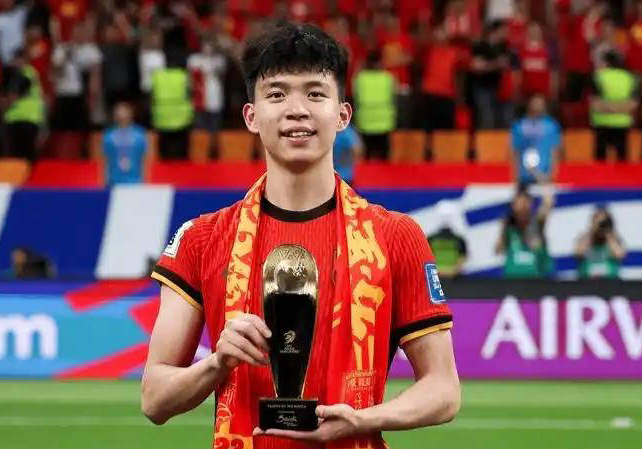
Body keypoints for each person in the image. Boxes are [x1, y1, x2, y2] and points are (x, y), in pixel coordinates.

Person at [143, 23, 460, 448]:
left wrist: (362, 419)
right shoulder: (201, 238)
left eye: (315, 93)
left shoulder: (395, 236)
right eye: (277, 94)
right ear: (251, 116)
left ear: (343, 115)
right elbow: (154, 398)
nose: (297, 110)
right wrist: (217, 363)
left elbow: (443, 389)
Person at [495, 185, 554, 278]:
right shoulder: (509, 228)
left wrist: (544, 186)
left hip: (535, 279)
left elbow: (547, 205)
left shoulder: (537, 223)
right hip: (512, 279)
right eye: (519, 203)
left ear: (531, 204)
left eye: (525, 202)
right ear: (513, 206)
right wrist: (502, 229)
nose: (522, 206)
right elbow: (498, 250)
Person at [589, 51, 638, 161]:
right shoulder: (629, 77)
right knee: (622, 162)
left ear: (606, 63)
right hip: (622, 124)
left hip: (602, 123)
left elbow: (596, 105)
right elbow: (633, 104)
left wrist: (608, 108)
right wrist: (621, 109)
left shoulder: (598, 77)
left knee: (600, 163)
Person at [1, 48, 44, 162]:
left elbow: (13, 97)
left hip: (22, 118)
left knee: (19, 156)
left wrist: (3, 107)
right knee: (27, 155)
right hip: (29, 119)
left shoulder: (24, 74)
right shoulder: (32, 73)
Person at [354, 51, 396, 160]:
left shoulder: (360, 78)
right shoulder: (388, 77)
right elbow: (393, 98)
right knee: (384, 159)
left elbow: (355, 97)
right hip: (384, 123)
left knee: (366, 157)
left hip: (365, 122)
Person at [151, 51, 194, 159]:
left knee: (164, 150)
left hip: (162, 117)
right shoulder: (184, 75)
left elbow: (152, 95)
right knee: (182, 151)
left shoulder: (157, 75)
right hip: (181, 117)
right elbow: (190, 94)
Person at [510, 94, 560, 184]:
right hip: (524, 177)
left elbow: (554, 151)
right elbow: (515, 152)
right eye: (535, 103)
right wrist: (515, 176)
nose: (537, 106)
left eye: (540, 104)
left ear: (545, 106)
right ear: (529, 105)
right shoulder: (519, 126)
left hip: (544, 177)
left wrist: (553, 175)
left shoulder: (551, 126)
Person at [574, 206, 626, 279]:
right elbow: (579, 252)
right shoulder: (586, 237)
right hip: (587, 282)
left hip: (610, 282)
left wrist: (608, 233)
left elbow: (619, 254)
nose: (601, 225)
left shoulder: (613, 238)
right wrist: (592, 230)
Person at [102, 102, 147, 185]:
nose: (122, 114)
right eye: (119, 111)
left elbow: (144, 160)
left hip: (135, 182)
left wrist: (144, 181)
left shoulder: (139, 134)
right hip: (114, 182)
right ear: (115, 115)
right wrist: (105, 182)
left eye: (125, 111)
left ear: (131, 114)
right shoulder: (109, 135)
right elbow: (105, 161)